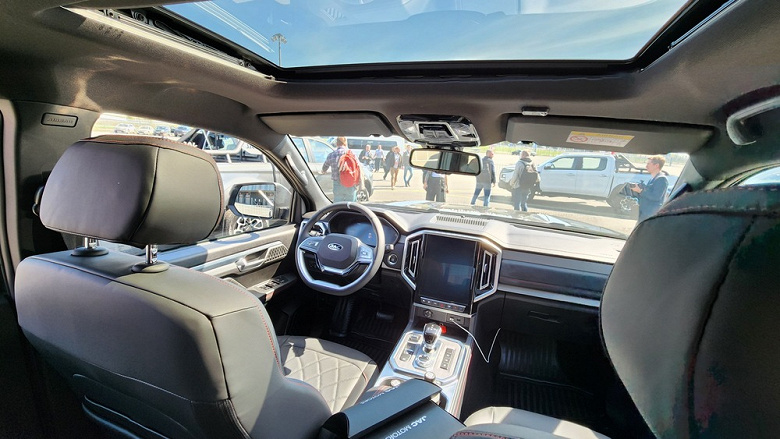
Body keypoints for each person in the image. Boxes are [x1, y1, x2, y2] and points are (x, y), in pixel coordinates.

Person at [630, 155, 669, 222]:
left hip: (650, 214)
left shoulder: (661, 179)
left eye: (648, 164)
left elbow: (656, 197)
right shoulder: (653, 179)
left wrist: (640, 191)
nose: (646, 166)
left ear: (656, 165)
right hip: (645, 213)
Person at [321, 136, 357, 202]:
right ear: (345, 143)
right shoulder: (351, 154)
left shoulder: (331, 155)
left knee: (338, 204)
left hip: (337, 183)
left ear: (337, 143)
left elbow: (325, 166)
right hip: (350, 183)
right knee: (351, 205)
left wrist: (323, 171)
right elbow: (358, 166)